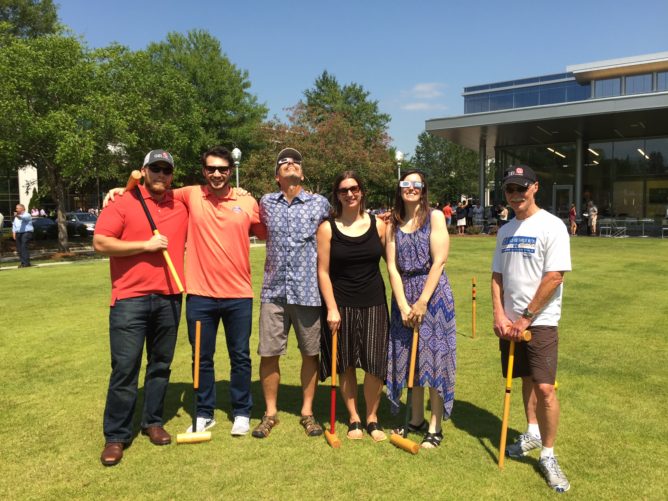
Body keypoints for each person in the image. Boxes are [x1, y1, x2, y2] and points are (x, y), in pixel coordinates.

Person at [105, 146, 267, 437]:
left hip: (239, 294)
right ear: (203, 172)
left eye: (223, 169)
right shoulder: (189, 195)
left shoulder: (247, 200)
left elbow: (266, 231)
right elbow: (148, 190)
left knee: (240, 355)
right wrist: (123, 187)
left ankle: (242, 410)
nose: (217, 174)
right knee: (201, 357)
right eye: (211, 169)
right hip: (199, 294)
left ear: (231, 170)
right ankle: (204, 412)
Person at [94, 149, 188, 466]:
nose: (161, 175)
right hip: (129, 298)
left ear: (172, 175)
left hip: (169, 296)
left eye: (166, 170)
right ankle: (116, 436)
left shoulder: (180, 203)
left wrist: (241, 188)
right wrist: (144, 246)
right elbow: (101, 242)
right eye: (156, 169)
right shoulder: (122, 202)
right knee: (125, 368)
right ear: (144, 171)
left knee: (160, 365)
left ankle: (153, 422)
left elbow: (212, 192)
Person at [491, 165, 572, 492]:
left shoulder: (552, 226)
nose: (515, 195)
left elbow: (555, 277)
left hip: (539, 323)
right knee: (525, 379)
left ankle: (548, 455)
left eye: (521, 188)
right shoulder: (504, 230)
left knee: (545, 388)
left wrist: (525, 317)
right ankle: (532, 432)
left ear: (535, 188)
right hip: (509, 324)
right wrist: (499, 314)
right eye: (510, 189)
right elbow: (497, 277)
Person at [253, 148, 330, 439]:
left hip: (308, 291)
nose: (290, 163)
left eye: (295, 161)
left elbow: (346, 222)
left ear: (303, 173)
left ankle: (307, 412)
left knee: (310, 353)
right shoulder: (265, 203)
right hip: (273, 291)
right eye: (283, 162)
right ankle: (270, 413)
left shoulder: (319, 203)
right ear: (276, 176)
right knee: (269, 352)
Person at [386, 171, 456, 449]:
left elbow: (439, 261)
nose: (411, 188)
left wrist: (423, 301)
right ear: (400, 188)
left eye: (417, 184)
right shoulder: (393, 221)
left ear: (424, 189)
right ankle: (415, 418)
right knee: (410, 359)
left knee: (434, 358)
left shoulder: (435, 217)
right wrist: (404, 305)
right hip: (403, 293)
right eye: (406, 184)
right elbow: (391, 265)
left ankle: (434, 426)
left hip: (433, 295)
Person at [317, 171, 389, 442]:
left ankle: (372, 417)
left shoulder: (378, 225)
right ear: (336, 195)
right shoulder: (327, 228)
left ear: (362, 191)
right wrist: (332, 308)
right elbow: (322, 272)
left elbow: (392, 264)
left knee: (374, 363)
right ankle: (354, 417)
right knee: (345, 363)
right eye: (344, 190)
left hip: (374, 302)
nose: (350, 194)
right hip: (341, 304)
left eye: (354, 188)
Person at [12, 204, 33, 268]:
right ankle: (23, 262)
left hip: (26, 233)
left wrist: (17, 216)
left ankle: (26, 263)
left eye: (17, 208)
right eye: (16, 208)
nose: (16, 209)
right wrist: (13, 233)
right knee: (19, 249)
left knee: (24, 247)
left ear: (22, 209)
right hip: (18, 234)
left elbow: (23, 218)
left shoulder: (27, 215)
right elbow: (14, 225)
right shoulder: (16, 217)